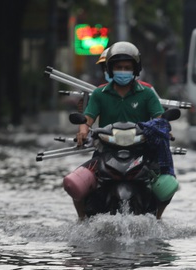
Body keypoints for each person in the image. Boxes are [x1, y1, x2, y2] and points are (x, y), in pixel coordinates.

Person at [69, 41, 168, 219]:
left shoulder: (147, 93)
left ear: (135, 69)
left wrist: (165, 130)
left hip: (141, 152)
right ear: (110, 69)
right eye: (118, 67)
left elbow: (159, 118)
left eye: (127, 67)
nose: (123, 71)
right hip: (106, 150)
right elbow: (88, 118)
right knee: (75, 182)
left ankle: (158, 219)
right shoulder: (99, 94)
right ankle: (82, 220)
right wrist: (83, 130)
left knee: (168, 184)